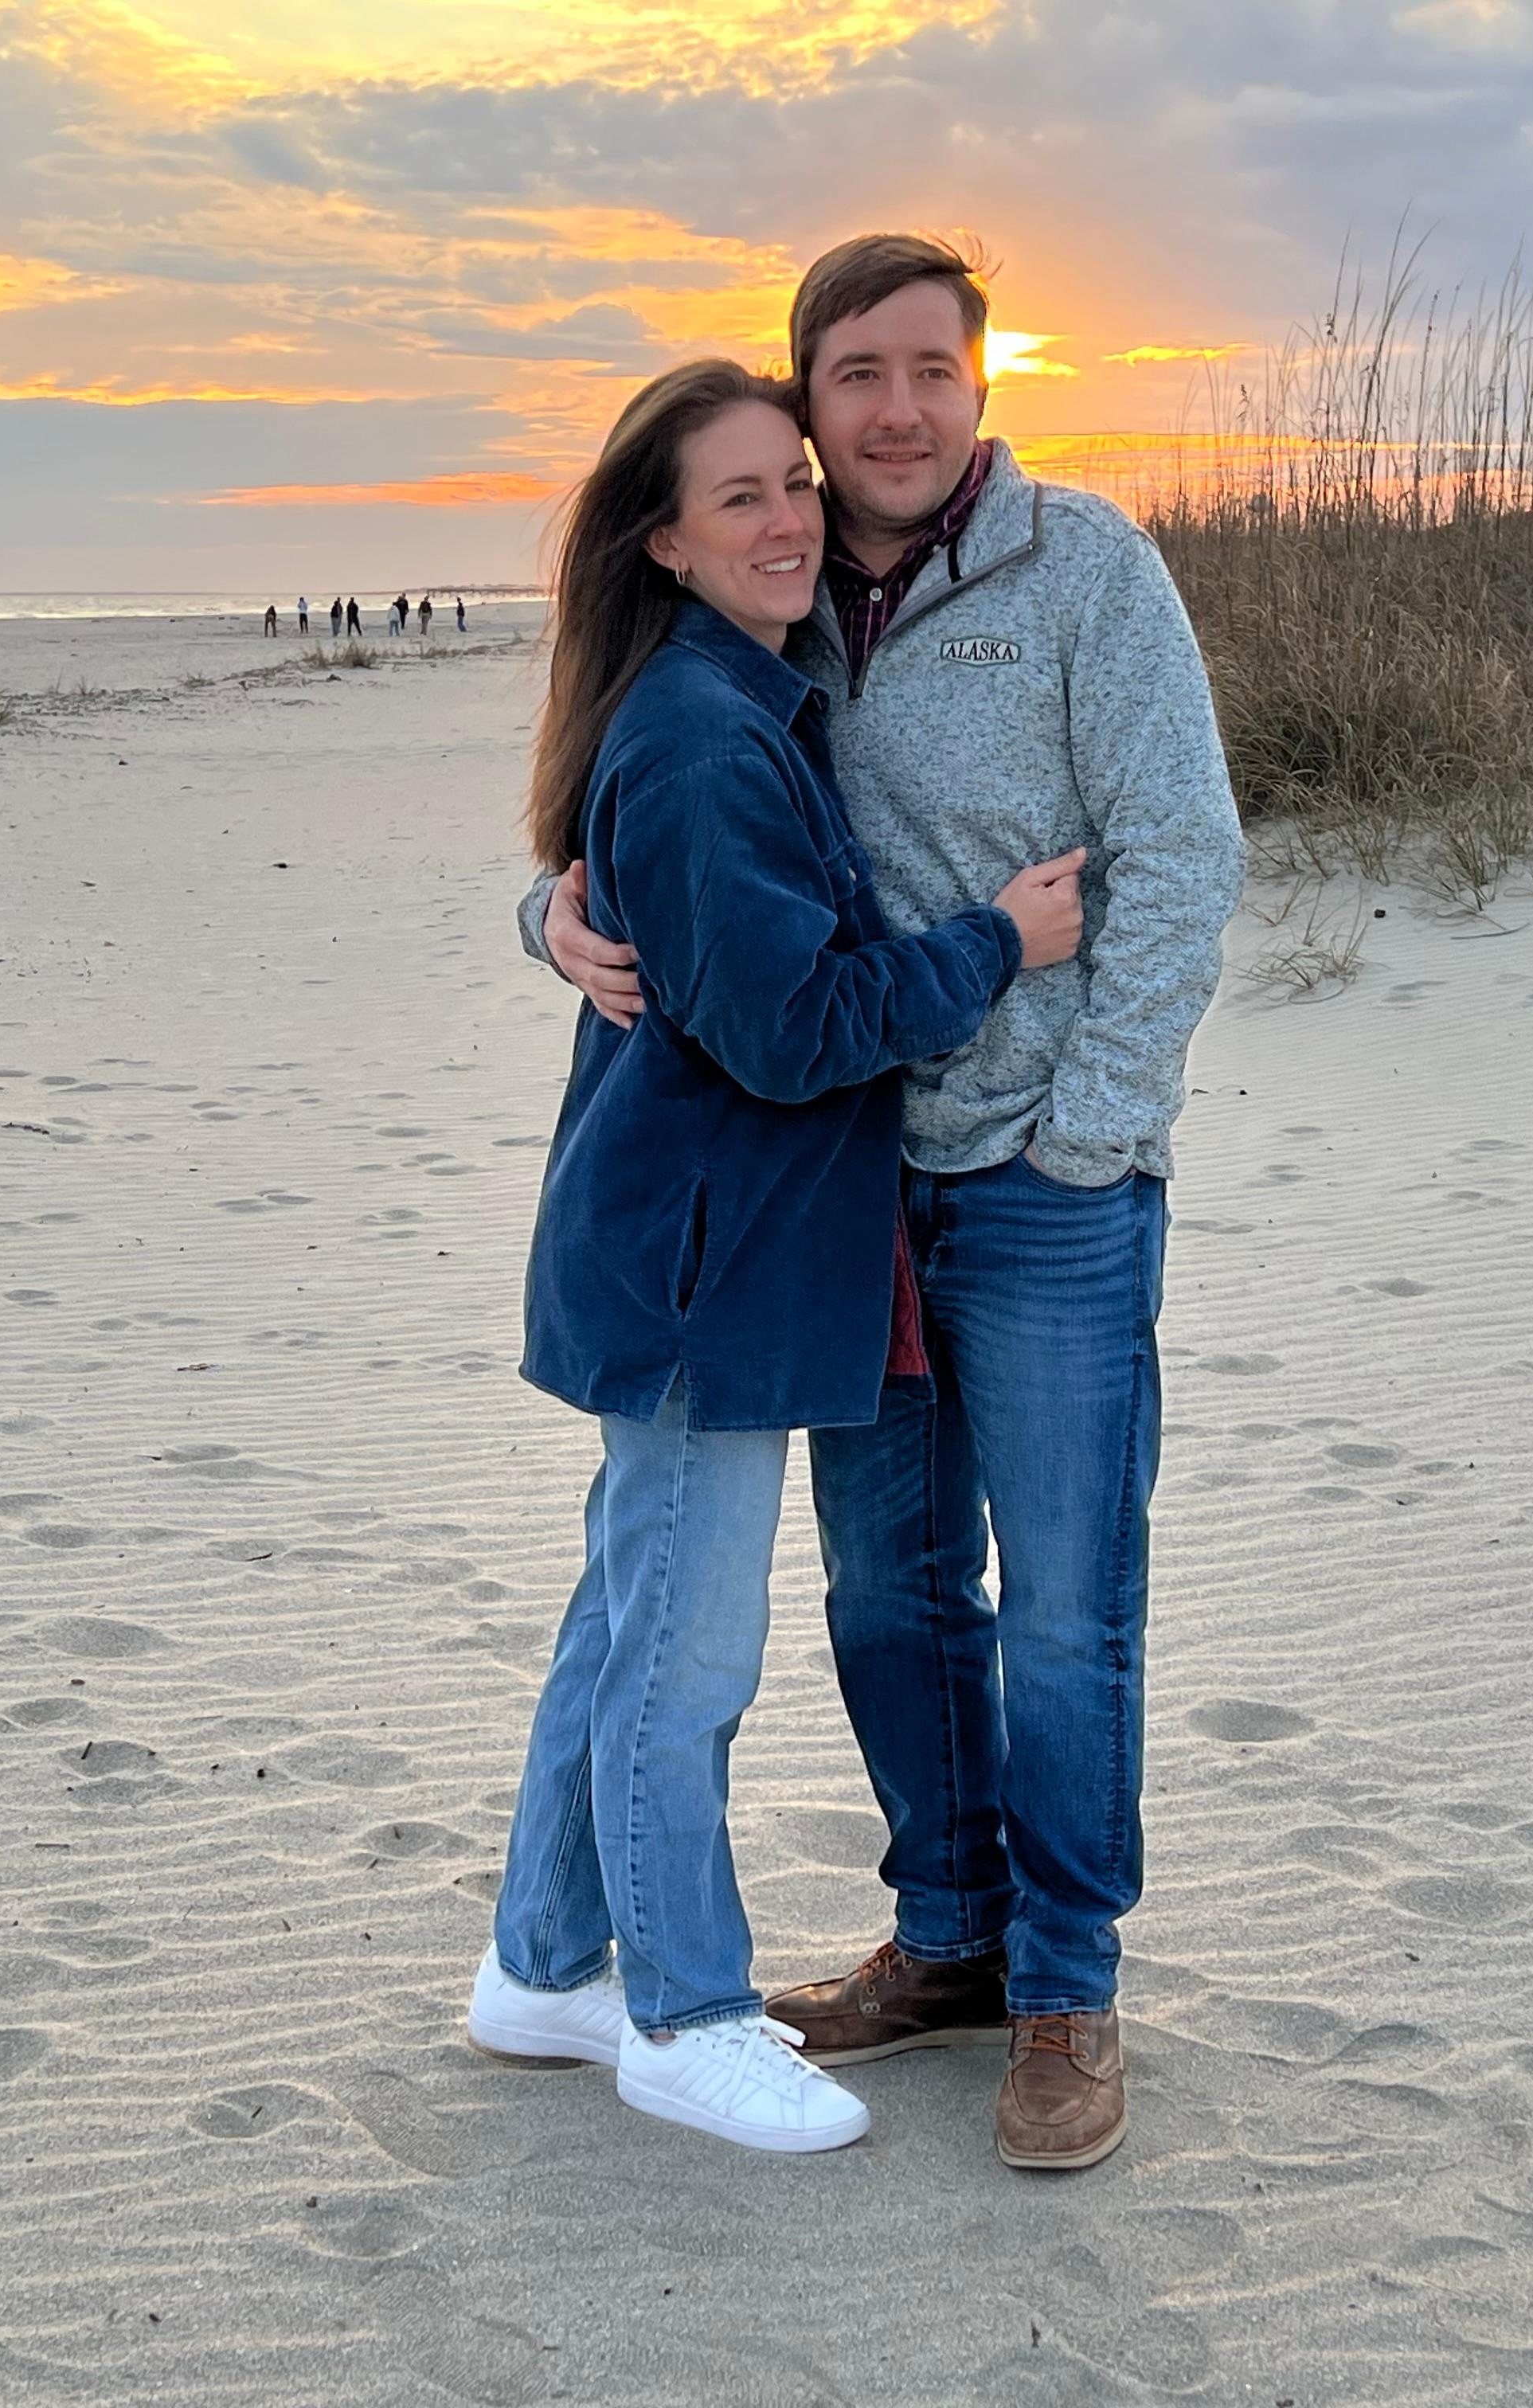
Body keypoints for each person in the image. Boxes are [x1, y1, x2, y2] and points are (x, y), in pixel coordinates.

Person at [521, 233, 1239, 2173]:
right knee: (890, 1597)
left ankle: (1069, 1989)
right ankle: (949, 1942)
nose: (896, 407)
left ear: (984, 385)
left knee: (1070, 1604)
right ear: (811, 399)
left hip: (1039, 1187)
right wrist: (547, 917)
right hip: (843, 1192)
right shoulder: (777, 589)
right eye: (857, 375)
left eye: (933, 368)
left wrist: (1090, 1131)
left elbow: (1183, 859)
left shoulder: (1087, 568)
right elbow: (655, 817)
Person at [469, 356, 1087, 2156]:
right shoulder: (697, 732)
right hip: (699, 1273)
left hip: (692, 1251)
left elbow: (692, 951)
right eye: (736, 495)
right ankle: (681, 2012)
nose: (789, 517)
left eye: (793, 484)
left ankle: (540, 1965)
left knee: (624, 1624)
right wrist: (995, 942)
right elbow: (790, 1030)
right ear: (660, 541)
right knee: (683, 1662)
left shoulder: (741, 701)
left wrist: (549, 910)